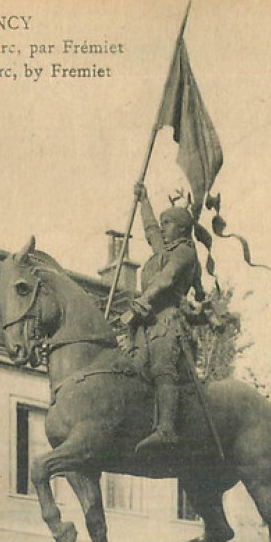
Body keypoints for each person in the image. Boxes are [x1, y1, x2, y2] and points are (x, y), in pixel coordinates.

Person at [120, 183, 204, 454]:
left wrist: (142, 302)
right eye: (164, 222)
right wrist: (144, 201)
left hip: (168, 321)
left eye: (168, 223)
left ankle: (167, 429)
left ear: (181, 228)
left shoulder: (184, 253)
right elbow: (150, 230)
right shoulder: (164, 249)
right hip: (146, 322)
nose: (163, 227)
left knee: (161, 365)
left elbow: (165, 280)